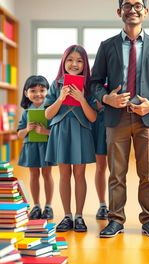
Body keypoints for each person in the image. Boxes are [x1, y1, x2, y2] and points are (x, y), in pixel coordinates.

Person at [90, 0, 149, 238]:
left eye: (138, 6)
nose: (133, 10)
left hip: (147, 118)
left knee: (147, 174)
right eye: (127, 6)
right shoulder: (107, 46)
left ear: (146, 11)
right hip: (116, 118)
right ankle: (115, 220)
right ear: (119, 11)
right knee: (117, 173)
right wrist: (106, 98)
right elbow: (94, 82)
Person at [44, 45, 97, 232]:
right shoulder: (56, 84)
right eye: (70, 60)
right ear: (64, 61)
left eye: (79, 60)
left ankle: (79, 216)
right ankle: (67, 216)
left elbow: (93, 117)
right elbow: (48, 115)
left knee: (80, 175)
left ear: (85, 64)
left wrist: (82, 99)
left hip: (81, 132)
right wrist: (60, 98)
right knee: (64, 175)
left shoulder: (89, 86)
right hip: (60, 132)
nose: (74, 64)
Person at [17, 75, 55, 220]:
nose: (38, 94)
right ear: (26, 93)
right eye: (33, 90)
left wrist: (44, 131)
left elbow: (56, 132)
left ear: (48, 91)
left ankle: (48, 206)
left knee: (47, 174)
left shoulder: (50, 110)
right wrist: (27, 129)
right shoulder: (26, 112)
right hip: (30, 146)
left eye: (42, 90)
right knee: (33, 175)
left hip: (46, 146)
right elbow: (20, 134)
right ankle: (36, 205)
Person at [91, 102, 108, 220]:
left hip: (118, 118)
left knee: (116, 168)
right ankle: (102, 204)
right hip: (97, 120)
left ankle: (117, 206)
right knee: (101, 166)